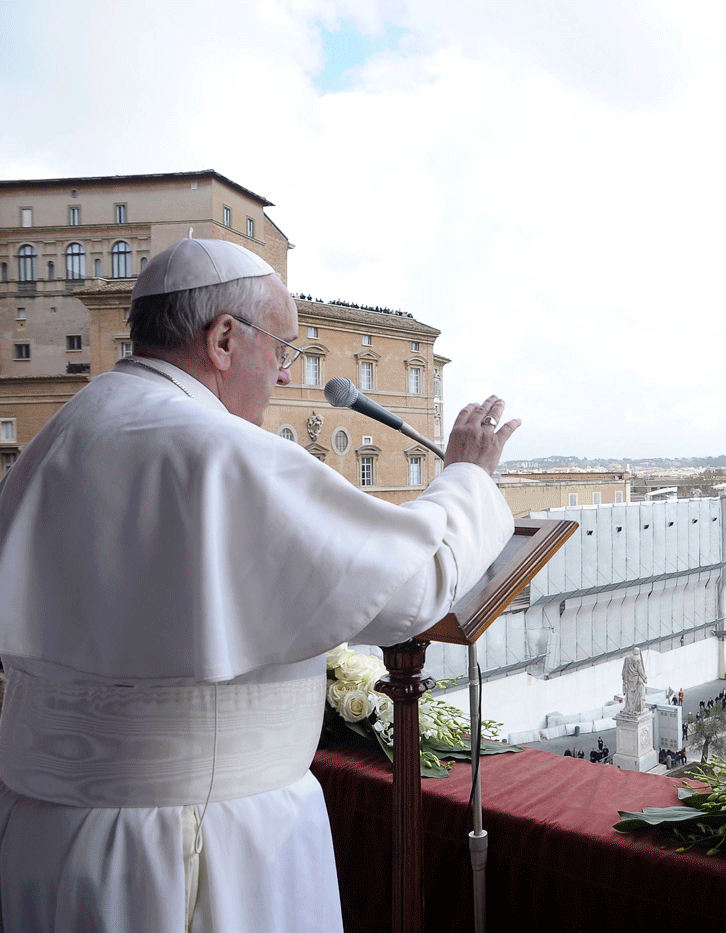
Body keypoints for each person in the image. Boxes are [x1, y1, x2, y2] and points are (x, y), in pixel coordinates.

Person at [0, 238, 520, 932]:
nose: (282, 372)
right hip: (196, 845)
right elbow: (409, 583)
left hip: (46, 835)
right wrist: (468, 480)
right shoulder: (216, 449)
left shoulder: (58, 435)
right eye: (281, 349)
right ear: (221, 338)